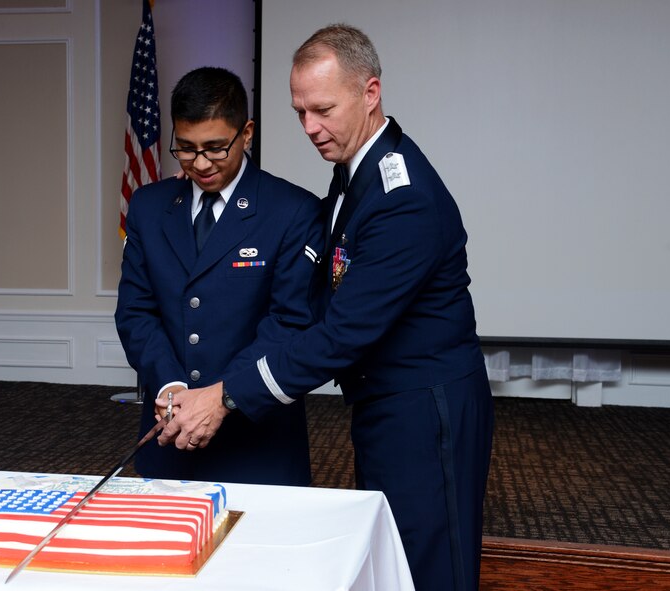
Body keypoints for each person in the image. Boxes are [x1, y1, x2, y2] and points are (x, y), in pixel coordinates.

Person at [158, 26, 494, 591]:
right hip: (386, 401)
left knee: (431, 564)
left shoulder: (400, 198)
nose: (310, 127)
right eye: (299, 112)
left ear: (370, 93)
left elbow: (341, 333)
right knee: (393, 556)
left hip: (424, 407)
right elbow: (326, 276)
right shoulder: (357, 169)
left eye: (323, 109)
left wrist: (227, 393)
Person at [115, 66, 323, 486]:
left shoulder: (292, 210)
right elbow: (136, 312)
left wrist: (222, 396)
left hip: (258, 443)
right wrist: (170, 384)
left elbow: (288, 324)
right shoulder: (149, 207)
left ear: (246, 134)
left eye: (215, 148)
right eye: (187, 149)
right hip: (169, 439)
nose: (201, 163)